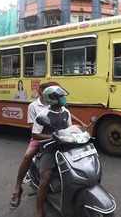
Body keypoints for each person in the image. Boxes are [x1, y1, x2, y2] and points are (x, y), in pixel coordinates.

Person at [10, 82, 58, 209]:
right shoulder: (33, 106)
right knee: (28, 155)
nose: (54, 94)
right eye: (51, 92)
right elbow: (33, 129)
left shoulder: (55, 103)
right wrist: (47, 135)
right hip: (40, 138)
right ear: (42, 92)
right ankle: (17, 186)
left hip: (58, 137)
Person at [32, 85, 72, 217]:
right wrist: (52, 137)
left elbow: (70, 129)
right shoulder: (43, 115)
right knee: (45, 179)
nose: (63, 99)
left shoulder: (66, 112)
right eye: (60, 97)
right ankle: (39, 208)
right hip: (49, 149)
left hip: (65, 147)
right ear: (52, 99)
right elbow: (35, 135)